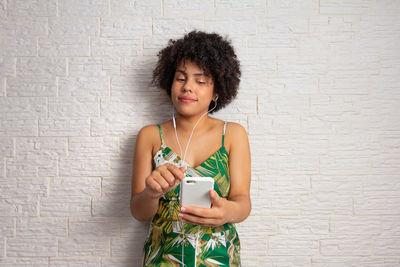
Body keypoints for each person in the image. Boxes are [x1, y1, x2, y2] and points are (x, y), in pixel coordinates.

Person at [130, 30, 251, 266]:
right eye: (181, 78)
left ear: (217, 91)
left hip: (217, 257)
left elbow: (243, 202)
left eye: (201, 81)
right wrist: (151, 192)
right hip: (163, 258)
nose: (188, 87)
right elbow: (139, 212)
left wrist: (227, 212)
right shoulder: (150, 136)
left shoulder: (233, 135)